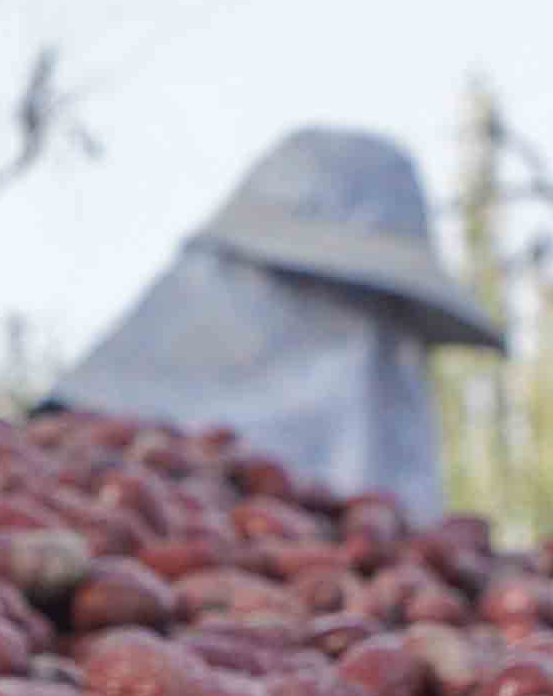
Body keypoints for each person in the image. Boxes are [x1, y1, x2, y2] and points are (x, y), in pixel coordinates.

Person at [45, 124, 511, 510]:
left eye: (385, 323)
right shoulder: (68, 456)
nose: (363, 354)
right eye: (320, 299)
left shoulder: (387, 541)